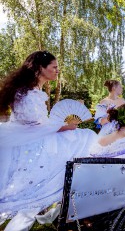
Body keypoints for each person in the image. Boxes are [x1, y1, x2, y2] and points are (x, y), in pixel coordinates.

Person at [0, 51, 97, 230]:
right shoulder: (27, 94)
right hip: (30, 147)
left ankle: (63, 209)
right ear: (39, 68)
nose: (57, 70)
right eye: (54, 67)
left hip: (38, 142)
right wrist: (64, 127)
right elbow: (32, 125)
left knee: (84, 141)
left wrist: (63, 126)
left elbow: (38, 122)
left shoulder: (34, 91)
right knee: (33, 192)